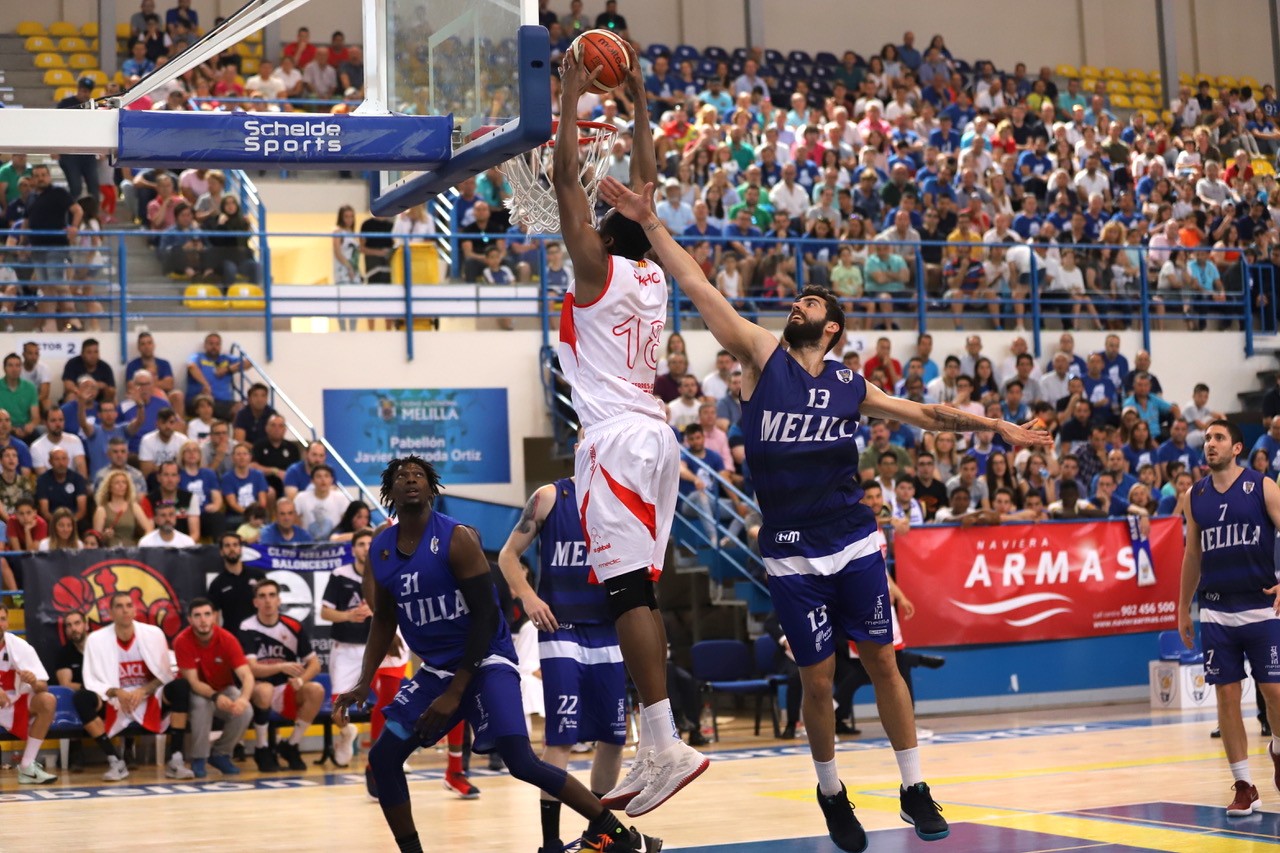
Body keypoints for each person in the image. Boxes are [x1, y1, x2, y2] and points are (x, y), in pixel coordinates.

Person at [597, 172, 1053, 850]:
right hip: (789, 548)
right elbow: (699, 286)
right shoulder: (762, 354)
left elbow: (929, 412)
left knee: (882, 661)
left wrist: (1001, 428)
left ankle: (913, 785)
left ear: (830, 325)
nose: (797, 304)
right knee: (814, 681)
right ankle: (832, 789)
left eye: (809, 301)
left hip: (852, 538)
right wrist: (652, 223)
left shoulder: (850, 383)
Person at [332, 457, 660, 853]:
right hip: (437, 669)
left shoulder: (457, 538)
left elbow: (487, 617)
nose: (411, 479)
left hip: (487, 660)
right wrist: (362, 682)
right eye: (402, 476)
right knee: (384, 759)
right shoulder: (381, 550)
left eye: (419, 474)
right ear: (391, 490)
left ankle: (617, 833)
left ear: (432, 487)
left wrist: (456, 692)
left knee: (520, 761)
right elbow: (383, 620)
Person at [549, 45, 708, 816]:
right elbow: (644, 186)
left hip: (615, 441)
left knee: (624, 597)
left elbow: (565, 192)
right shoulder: (647, 275)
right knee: (636, 591)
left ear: (607, 237)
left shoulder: (599, 270)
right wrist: (642, 106)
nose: (606, 209)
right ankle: (659, 741)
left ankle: (667, 743)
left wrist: (571, 103)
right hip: (654, 437)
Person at [498, 477, 628, 853]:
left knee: (614, 738)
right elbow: (507, 555)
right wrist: (527, 597)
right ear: (578, 445)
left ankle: (596, 833)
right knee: (562, 737)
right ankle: (550, 841)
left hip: (607, 627)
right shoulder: (550, 497)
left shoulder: (623, 498)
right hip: (561, 626)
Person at [1178, 419, 1280, 817]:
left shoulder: (1262, 486)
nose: (1210, 444)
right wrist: (1182, 607)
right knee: (1226, 695)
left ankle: (1277, 748)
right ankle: (1243, 785)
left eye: (1218, 438)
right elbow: (1192, 555)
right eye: (1206, 439)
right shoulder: (1195, 495)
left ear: (1237, 447)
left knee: (1273, 691)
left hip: (1261, 606)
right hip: (1217, 610)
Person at [319, 529, 415, 769]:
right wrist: (349, 615)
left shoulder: (391, 572)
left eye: (368, 543)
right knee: (339, 709)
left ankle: (386, 754)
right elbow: (324, 612)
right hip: (348, 648)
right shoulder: (340, 575)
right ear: (353, 549)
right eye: (359, 544)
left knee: (389, 702)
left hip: (381, 644)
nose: (364, 547)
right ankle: (347, 732)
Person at [78, 591, 192, 781]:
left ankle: (176, 760)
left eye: (129, 605)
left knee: (180, 687)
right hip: (115, 700)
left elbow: (165, 674)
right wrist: (117, 692)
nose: (125, 610)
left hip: (150, 697)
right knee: (81, 698)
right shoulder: (95, 639)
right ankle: (115, 760)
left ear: (135, 609)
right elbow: (92, 680)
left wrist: (144, 690)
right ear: (110, 612)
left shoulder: (153, 634)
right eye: (119, 606)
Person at [239, 579, 324, 772]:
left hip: (285, 688)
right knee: (265, 690)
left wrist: (301, 680)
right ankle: (262, 748)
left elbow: (315, 664)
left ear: (279, 600)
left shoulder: (293, 626)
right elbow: (251, 668)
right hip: (255, 688)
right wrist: (281, 666)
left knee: (316, 690)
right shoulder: (247, 627)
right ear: (255, 603)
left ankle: (291, 745)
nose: (268, 601)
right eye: (262, 596)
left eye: (272, 595)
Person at [174, 597, 255, 777]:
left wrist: (243, 699)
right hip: (195, 691)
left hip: (224, 688)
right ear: (190, 619)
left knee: (246, 710)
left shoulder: (227, 639)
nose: (203, 620)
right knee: (202, 705)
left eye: (207, 614)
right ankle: (199, 758)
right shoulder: (182, 640)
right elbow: (194, 683)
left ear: (215, 617)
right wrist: (216, 697)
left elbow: (247, 675)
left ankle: (221, 754)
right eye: (197, 615)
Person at [0, 602, 58, 784]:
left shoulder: (20, 646)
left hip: (14, 702)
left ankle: (26, 766)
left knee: (47, 700)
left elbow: (43, 686)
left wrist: (33, 680)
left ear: (7, 622)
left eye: (2, 619)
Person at [208, 532, 266, 631]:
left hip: (258, 635)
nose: (232, 549)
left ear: (240, 549)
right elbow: (214, 618)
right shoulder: (217, 584)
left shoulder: (258, 576)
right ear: (221, 551)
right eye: (227, 545)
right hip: (232, 639)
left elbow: (268, 605)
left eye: (235, 545)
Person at [292, 464, 349, 539]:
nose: (323, 480)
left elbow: (347, 522)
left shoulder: (341, 498)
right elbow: (293, 521)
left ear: (331, 480)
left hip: (334, 546)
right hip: (307, 545)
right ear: (312, 481)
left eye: (326, 476)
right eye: (319, 476)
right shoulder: (301, 497)